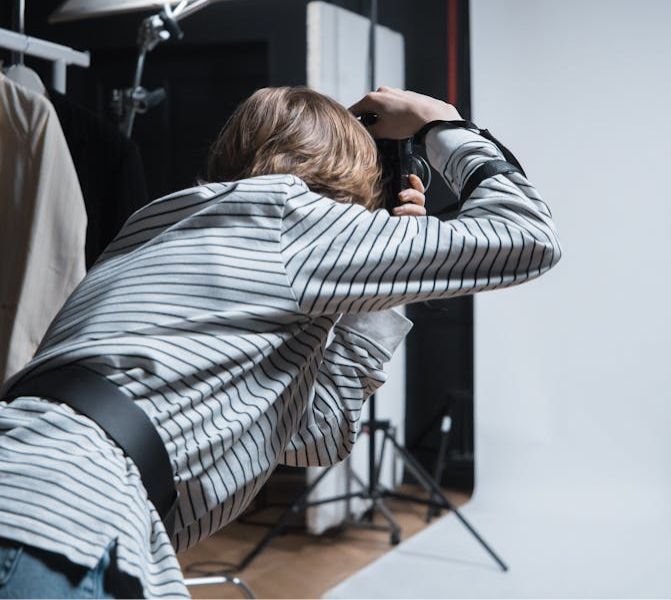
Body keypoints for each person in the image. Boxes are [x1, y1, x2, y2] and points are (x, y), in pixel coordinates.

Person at [0, 86, 561, 598]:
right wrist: (442, 124)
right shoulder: (285, 214)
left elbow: (313, 432)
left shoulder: (161, 223)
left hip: (48, 498)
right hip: (62, 512)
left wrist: (388, 286)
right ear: (351, 168)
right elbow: (527, 235)